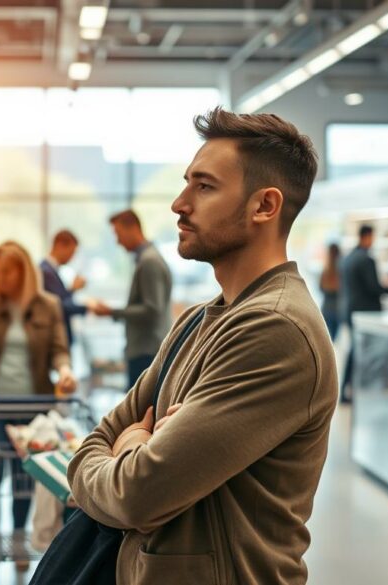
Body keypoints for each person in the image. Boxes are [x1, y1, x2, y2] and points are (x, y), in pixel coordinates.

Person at [67, 108, 338, 585]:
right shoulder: (198, 318)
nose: (178, 203)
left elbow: (137, 496)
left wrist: (130, 448)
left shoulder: (275, 329)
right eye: (186, 182)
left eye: (204, 187)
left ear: (264, 206)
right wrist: (134, 447)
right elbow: (94, 442)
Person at [0, 241, 77, 577]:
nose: (3, 277)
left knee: (26, 475)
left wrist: (65, 371)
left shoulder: (48, 306)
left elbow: (59, 350)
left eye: (9, 270)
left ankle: (20, 537)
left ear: (24, 272)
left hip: (33, 407)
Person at [91, 210, 173, 389]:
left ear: (133, 228)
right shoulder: (147, 259)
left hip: (147, 351)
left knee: (140, 411)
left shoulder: (149, 261)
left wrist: (111, 312)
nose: (118, 241)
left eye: (118, 234)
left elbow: (153, 310)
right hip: (147, 349)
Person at [339, 224, 388, 402]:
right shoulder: (366, 259)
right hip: (366, 313)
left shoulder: (348, 258)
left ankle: (347, 389)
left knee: (355, 350)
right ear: (367, 236)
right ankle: (362, 389)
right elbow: (374, 288)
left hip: (350, 310)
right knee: (365, 352)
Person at [40, 229, 88, 347]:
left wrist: (72, 289)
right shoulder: (46, 271)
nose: (72, 258)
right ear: (59, 245)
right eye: (71, 252)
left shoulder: (51, 270)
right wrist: (88, 306)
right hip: (54, 339)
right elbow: (59, 305)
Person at [320, 242, 342, 341]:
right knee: (334, 338)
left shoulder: (325, 270)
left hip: (326, 308)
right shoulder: (341, 270)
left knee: (327, 339)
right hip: (338, 308)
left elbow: (320, 288)